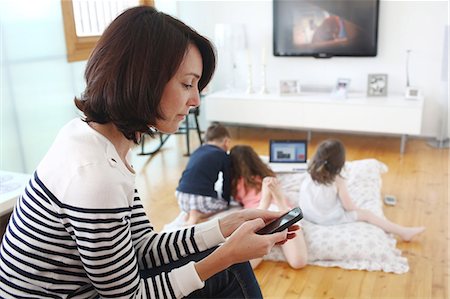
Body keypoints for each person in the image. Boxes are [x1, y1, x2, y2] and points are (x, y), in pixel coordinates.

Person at [0, 6, 298, 298]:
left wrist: (224, 227)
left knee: (227, 261)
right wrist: (226, 255)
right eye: (187, 84)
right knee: (229, 266)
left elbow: (140, 246)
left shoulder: (96, 139)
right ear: (144, 80)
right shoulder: (95, 177)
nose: (195, 99)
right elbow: (129, 296)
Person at [299, 139, 425, 242]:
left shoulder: (310, 171)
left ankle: (403, 232)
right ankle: (403, 232)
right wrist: (360, 210)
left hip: (308, 213)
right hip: (326, 219)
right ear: (340, 163)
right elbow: (349, 207)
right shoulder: (338, 180)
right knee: (367, 215)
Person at [229, 145, 308, 269]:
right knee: (299, 262)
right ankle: (278, 200)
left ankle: (265, 206)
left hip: (258, 215)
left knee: (247, 267)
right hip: (279, 210)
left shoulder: (236, 183)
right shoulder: (267, 174)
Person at [176, 122, 231, 225]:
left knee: (196, 197)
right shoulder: (223, 155)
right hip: (202, 199)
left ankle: (190, 212)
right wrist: (226, 200)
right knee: (224, 204)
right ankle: (197, 214)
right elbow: (227, 180)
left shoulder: (197, 151)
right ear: (226, 141)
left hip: (181, 197)